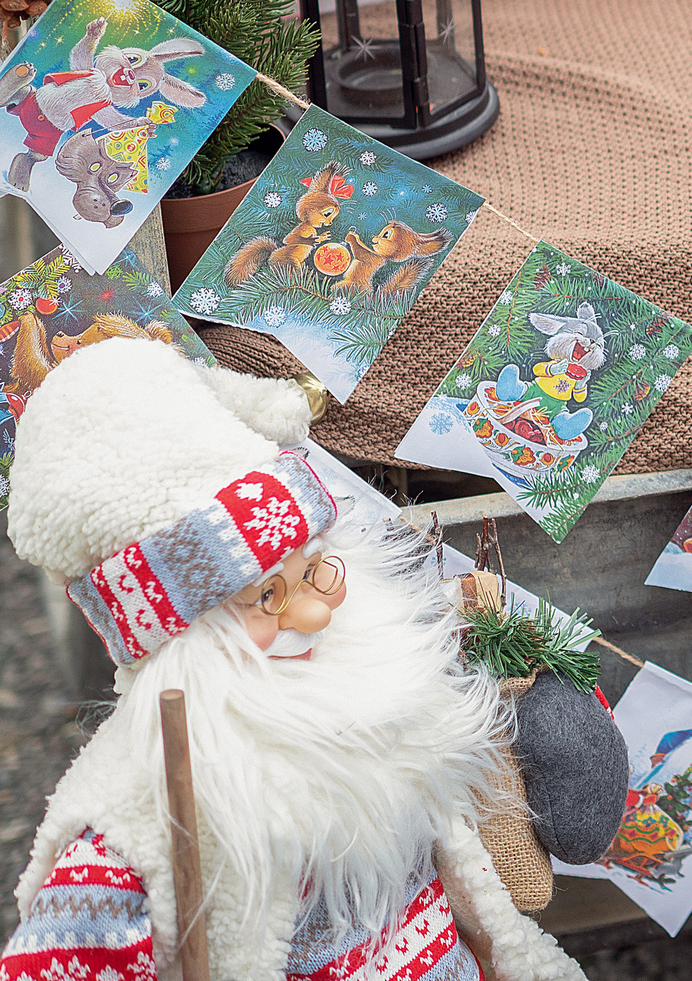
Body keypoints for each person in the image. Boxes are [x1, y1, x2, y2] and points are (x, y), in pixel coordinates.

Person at [1, 338, 591, 981]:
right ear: (179, 637)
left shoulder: (385, 711)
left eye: (314, 574)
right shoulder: (139, 817)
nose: (312, 617)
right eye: (267, 598)